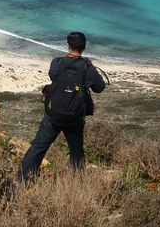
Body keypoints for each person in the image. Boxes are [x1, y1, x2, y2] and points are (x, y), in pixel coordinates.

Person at [17, 32, 106, 183]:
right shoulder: (87, 67)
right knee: (76, 152)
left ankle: (21, 181)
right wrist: (89, 68)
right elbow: (99, 87)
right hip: (75, 117)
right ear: (84, 47)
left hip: (53, 114)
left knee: (38, 147)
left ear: (68, 46)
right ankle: (78, 184)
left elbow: (53, 76)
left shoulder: (56, 63)